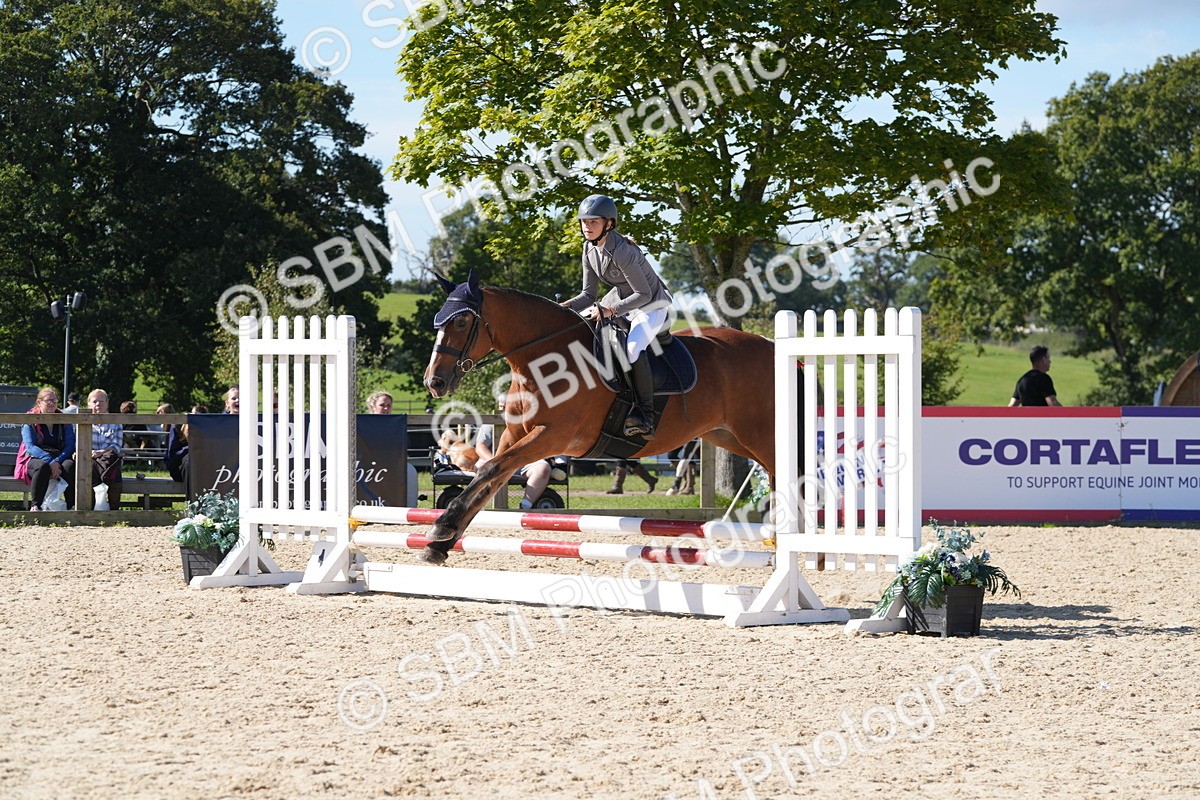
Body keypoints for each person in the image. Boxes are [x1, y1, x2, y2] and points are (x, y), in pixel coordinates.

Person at [563, 194, 673, 440]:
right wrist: (563, 307)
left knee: (633, 349)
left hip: (652, 304)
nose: (587, 227)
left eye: (593, 222)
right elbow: (587, 295)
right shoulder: (588, 249)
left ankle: (646, 415)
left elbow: (643, 294)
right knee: (580, 324)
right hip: (622, 301)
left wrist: (610, 310)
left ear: (608, 224)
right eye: (584, 221)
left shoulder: (622, 250)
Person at [17, 387, 76, 511]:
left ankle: (71, 506)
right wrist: (50, 461)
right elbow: (30, 446)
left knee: (69, 466)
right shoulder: (30, 419)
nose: (52, 403)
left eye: (54, 400)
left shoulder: (64, 419)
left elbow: (70, 445)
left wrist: (57, 461)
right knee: (42, 466)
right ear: (39, 402)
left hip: (59, 456)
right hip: (34, 457)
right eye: (48, 400)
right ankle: (36, 505)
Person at [87, 389, 124, 509]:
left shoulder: (115, 422)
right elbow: (79, 444)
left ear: (107, 404)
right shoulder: (82, 422)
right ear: (89, 404)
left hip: (108, 458)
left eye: (101, 401)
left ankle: (114, 509)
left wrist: (101, 452)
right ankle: (89, 507)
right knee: (88, 468)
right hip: (90, 459)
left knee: (114, 469)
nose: (98, 404)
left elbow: (116, 446)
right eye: (95, 401)